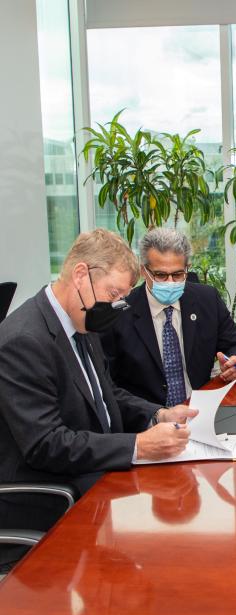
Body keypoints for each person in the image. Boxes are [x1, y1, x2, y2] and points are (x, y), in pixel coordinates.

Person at [0, 230, 196, 562]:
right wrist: (138, 445)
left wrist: (158, 415)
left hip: (96, 478)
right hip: (48, 503)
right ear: (81, 275)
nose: (114, 307)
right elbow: (47, 445)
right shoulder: (24, 340)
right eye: (113, 294)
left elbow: (107, 396)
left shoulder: (80, 322)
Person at [101, 228, 236, 406]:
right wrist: (156, 415)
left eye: (178, 274)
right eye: (160, 275)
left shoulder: (207, 299)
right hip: (148, 421)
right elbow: (108, 386)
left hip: (201, 409)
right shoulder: (119, 313)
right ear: (144, 271)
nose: (170, 282)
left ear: (187, 268)